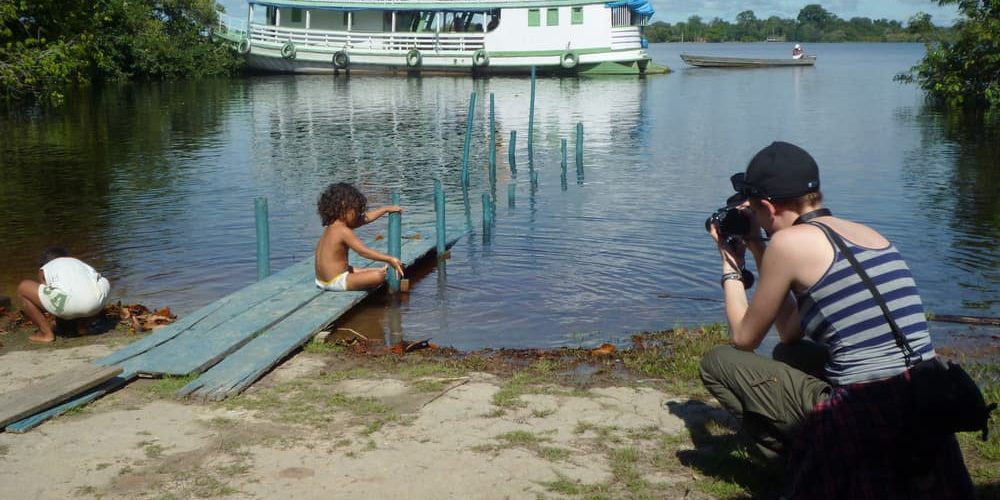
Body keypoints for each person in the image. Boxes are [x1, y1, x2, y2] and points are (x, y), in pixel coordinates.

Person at [700, 141, 973, 498]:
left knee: (718, 361)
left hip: (867, 407)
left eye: (752, 207)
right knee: (789, 353)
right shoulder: (869, 234)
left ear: (767, 206)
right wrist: (756, 245)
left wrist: (730, 267)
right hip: (923, 396)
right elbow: (791, 331)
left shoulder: (789, 246)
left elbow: (743, 338)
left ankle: (804, 457)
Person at [315, 182, 405, 292]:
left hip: (321, 280)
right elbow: (363, 251)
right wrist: (390, 259)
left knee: (369, 270)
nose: (358, 215)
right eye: (356, 211)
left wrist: (385, 209)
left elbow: (364, 219)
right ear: (344, 206)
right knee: (378, 276)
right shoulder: (343, 230)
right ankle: (376, 272)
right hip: (335, 281)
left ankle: (373, 270)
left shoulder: (332, 226)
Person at [17, 247, 111, 343]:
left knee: (23, 287)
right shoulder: (79, 263)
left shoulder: (44, 269)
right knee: (96, 284)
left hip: (66, 306)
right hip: (95, 306)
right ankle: (83, 327)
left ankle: (46, 333)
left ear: (44, 263)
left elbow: (47, 295)